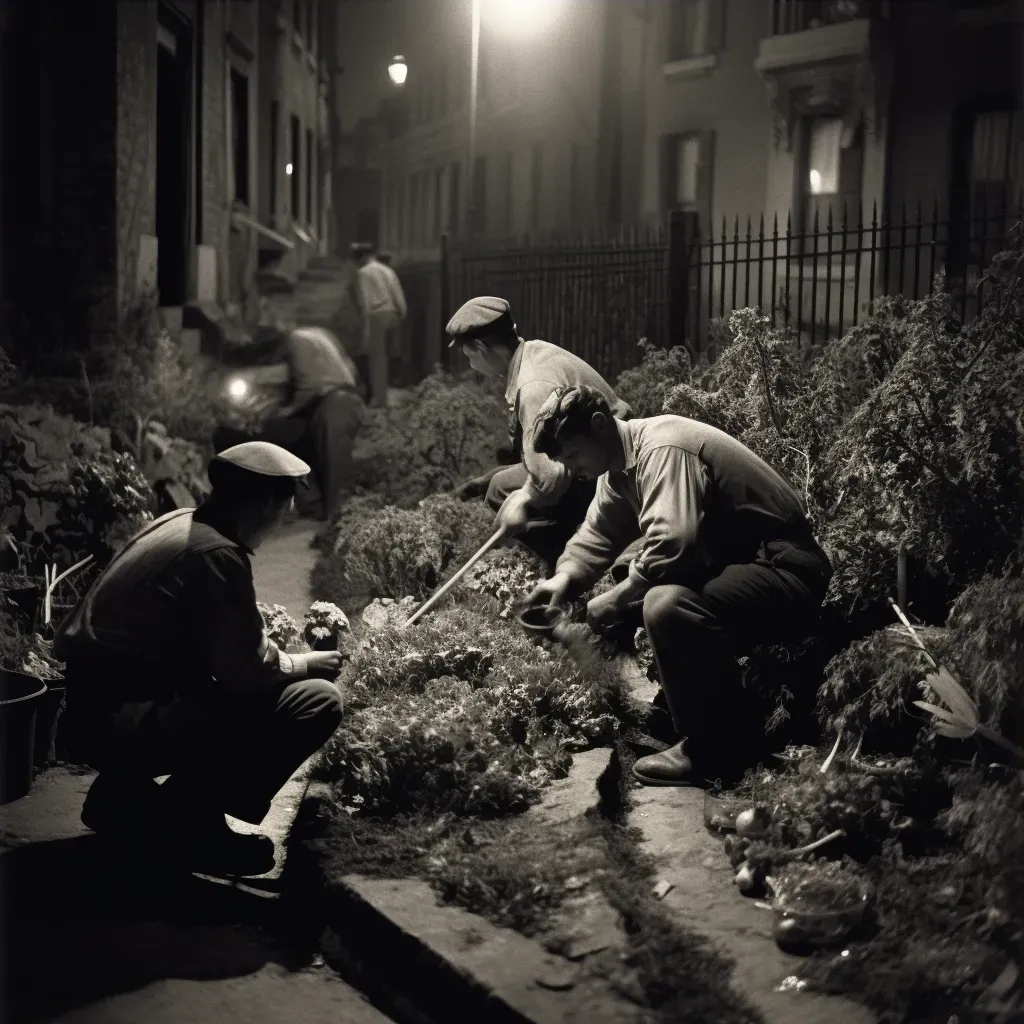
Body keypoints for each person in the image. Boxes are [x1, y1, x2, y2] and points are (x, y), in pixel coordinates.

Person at [54, 442, 345, 876]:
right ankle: (192, 827)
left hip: (90, 710)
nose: (283, 518)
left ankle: (125, 802)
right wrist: (306, 663)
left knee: (225, 699)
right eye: (284, 506)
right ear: (266, 502)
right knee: (317, 701)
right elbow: (244, 672)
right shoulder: (217, 554)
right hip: (123, 719)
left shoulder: (180, 523)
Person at [523, 385, 833, 787]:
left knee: (664, 605)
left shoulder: (662, 448)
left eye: (573, 455)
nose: (570, 468)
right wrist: (561, 582)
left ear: (599, 425)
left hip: (787, 568)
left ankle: (716, 749)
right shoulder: (618, 469)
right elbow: (597, 535)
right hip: (745, 565)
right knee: (634, 584)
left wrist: (615, 600)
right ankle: (685, 708)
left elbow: (674, 543)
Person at [446, 296, 632, 570]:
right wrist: (483, 480)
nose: (472, 364)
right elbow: (542, 452)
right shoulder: (534, 352)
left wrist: (521, 500)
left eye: (470, 356)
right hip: (608, 457)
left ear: (481, 348)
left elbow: (551, 476)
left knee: (501, 490)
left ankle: (572, 564)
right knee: (497, 480)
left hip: (611, 472)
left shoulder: (533, 386)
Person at [218, 326, 365, 522]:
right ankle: (316, 503)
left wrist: (284, 412)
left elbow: (309, 387)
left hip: (334, 402)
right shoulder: (319, 334)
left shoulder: (296, 340)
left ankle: (327, 509)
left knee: (273, 436)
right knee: (291, 437)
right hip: (348, 399)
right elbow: (346, 370)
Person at [358, 248, 407, 408]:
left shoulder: (363, 273)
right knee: (391, 354)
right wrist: (402, 312)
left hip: (376, 314)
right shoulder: (388, 270)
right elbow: (397, 293)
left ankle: (381, 399)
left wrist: (365, 328)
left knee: (377, 358)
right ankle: (391, 389)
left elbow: (365, 301)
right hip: (392, 313)